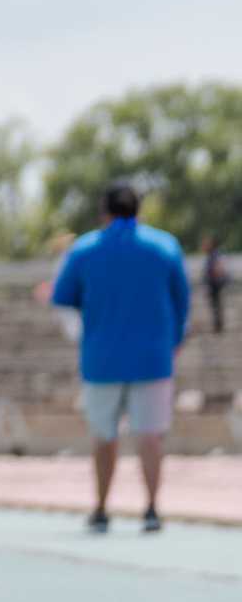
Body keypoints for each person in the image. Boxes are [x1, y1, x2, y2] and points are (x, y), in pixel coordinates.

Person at [51, 182, 190, 534]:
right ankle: (152, 509)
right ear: (139, 210)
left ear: (105, 211)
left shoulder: (84, 250)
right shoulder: (164, 247)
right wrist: (172, 340)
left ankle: (101, 508)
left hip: (102, 359)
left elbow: (63, 296)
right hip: (154, 358)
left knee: (104, 436)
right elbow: (182, 302)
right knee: (151, 436)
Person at [204, 237, 227, 336]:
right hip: (215, 283)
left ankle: (218, 325)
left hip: (215, 283)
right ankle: (218, 325)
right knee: (216, 304)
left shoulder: (215, 255)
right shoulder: (213, 255)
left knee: (216, 305)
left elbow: (218, 269)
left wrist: (214, 278)